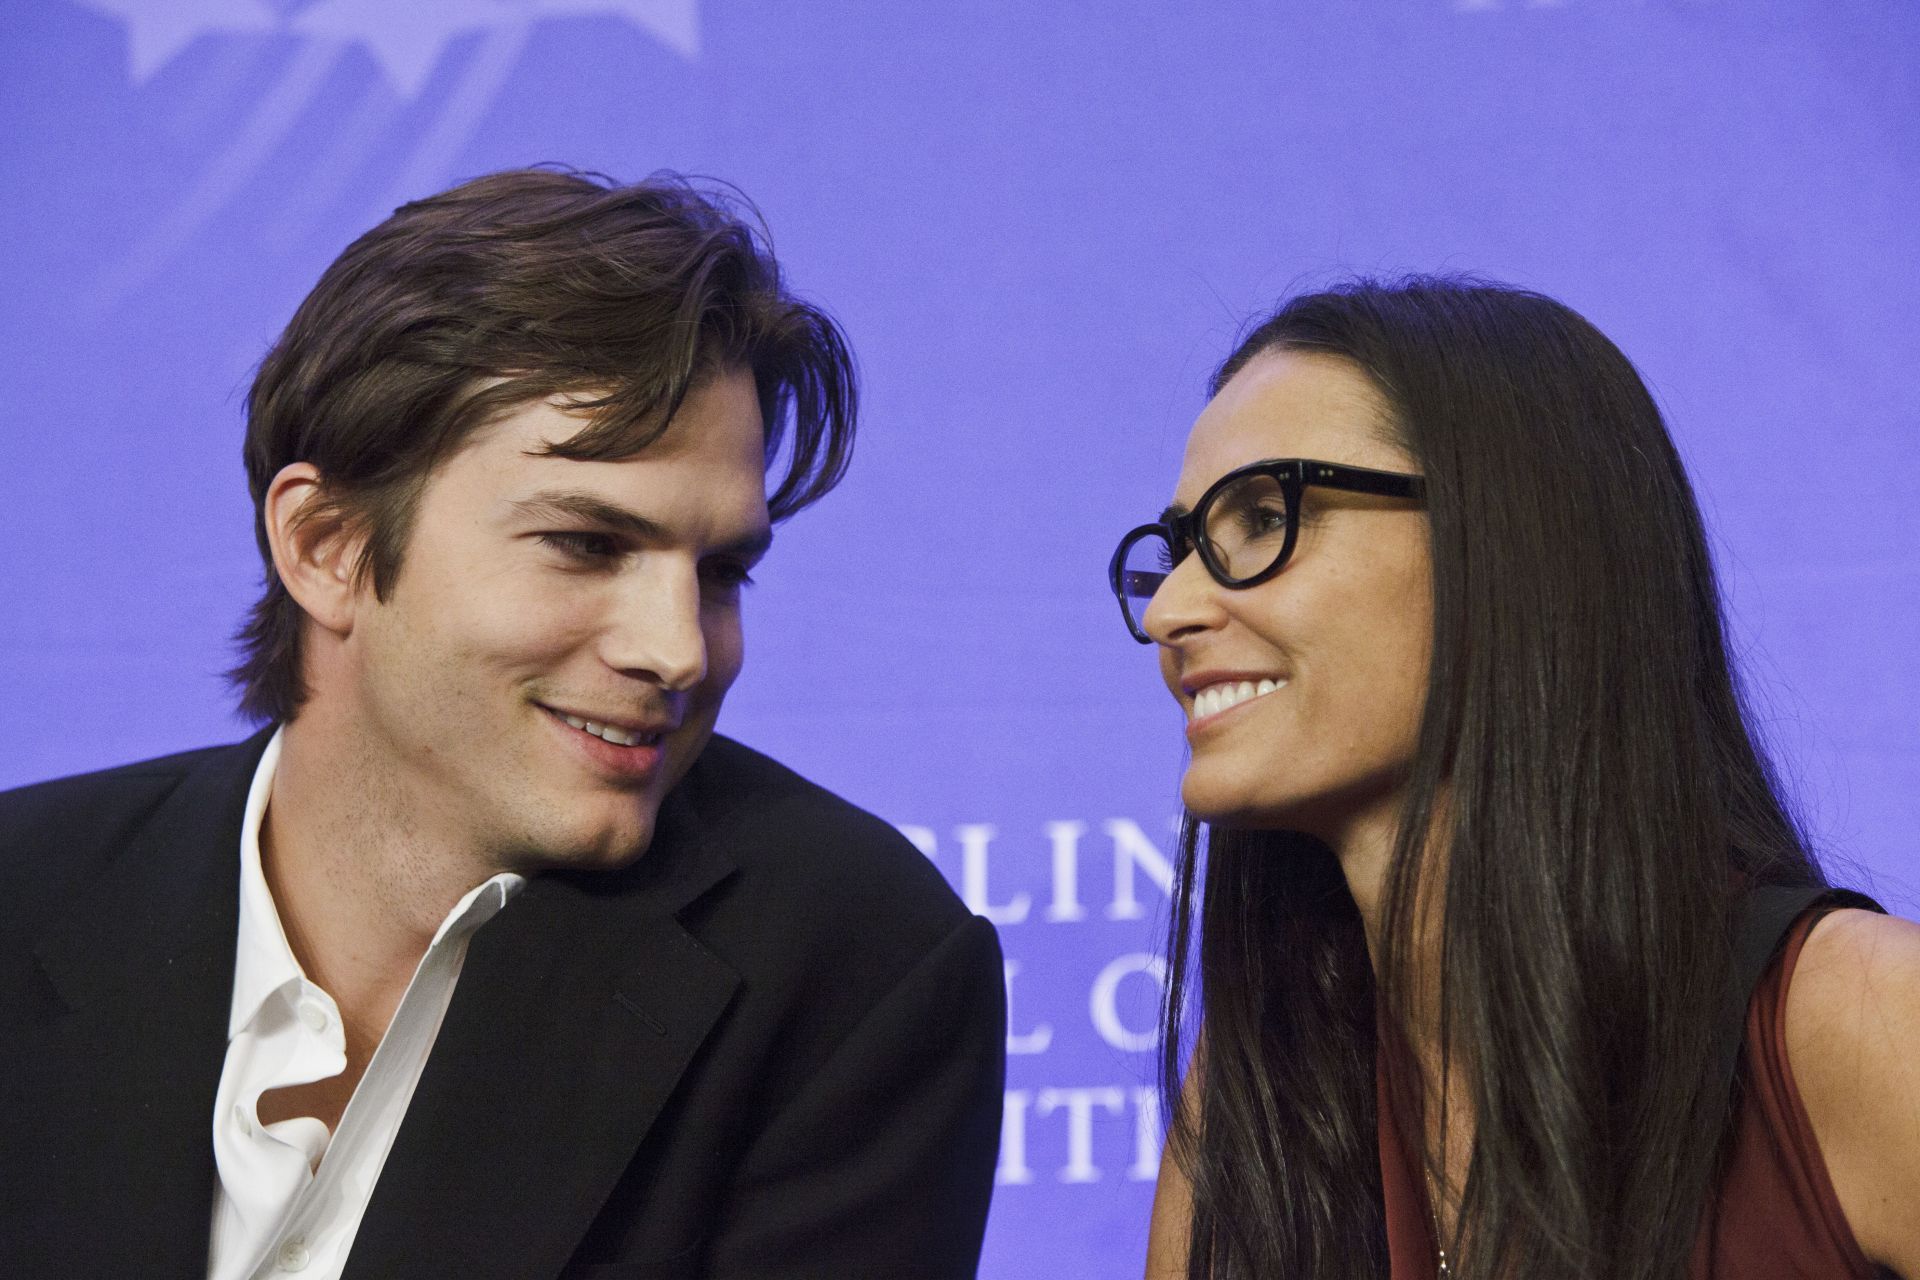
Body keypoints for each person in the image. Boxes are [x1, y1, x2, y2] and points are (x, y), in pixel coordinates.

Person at [0, 168, 1005, 1280]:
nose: (677, 649)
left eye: (721, 571)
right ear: (327, 544)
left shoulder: (852, 966)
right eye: (588, 544)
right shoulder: (23, 891)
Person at [1114, 277, 1920, 1280]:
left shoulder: (1859, 1020)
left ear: (1501, 542)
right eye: (1182, 546)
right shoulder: (1263, 1101)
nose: (1170, 611)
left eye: (1262, 517)